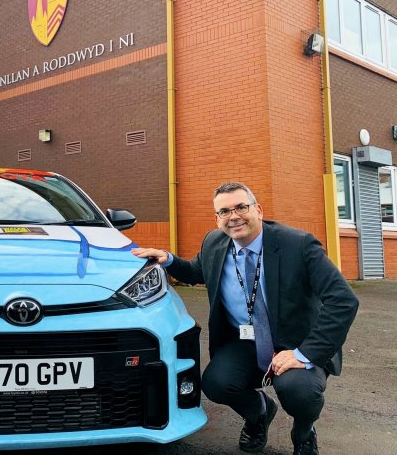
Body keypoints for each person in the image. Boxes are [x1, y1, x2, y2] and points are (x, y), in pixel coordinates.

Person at [131, 182, 358, 455]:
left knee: (299, 392)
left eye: (241, 207)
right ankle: (258, 412)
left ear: (258, 210)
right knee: (216, 384)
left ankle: (304, 431)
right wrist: (168, 259)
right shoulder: (214, 242)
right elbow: (196, 271)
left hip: (296, 343)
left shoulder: (298, 245)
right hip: (247, 342)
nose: (234, 216)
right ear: (217, 219)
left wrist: (305, 353)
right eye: (224, 211)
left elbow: (343, 300)